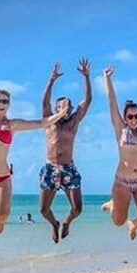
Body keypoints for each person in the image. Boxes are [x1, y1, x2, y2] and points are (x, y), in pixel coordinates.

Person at [0, 50, 67, 235]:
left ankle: (2, 222)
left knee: (2, 216)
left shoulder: (12, 125)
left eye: (5, 101)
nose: (2, 103)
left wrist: (60, 114)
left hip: (3, 176)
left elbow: (40, 123)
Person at [100, 64, 137, 241]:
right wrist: (107, 79)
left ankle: (134, 224)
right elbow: (111, 101)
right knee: (118, 221)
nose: (134, 119)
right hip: (123, 181)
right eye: (130, 117)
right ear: (125, 118)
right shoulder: (121, 130)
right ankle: (112, 205)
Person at [38, 59, 92, 243]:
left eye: (70, 105)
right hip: (50, 169)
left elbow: (88, 101)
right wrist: (51, 80)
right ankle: (54, 224)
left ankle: (67, 222)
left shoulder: (74, 121)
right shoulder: (49, 121)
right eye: (63, 105)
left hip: (69, 168)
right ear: (57, 108)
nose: (67, 107)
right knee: (43, 210)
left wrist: (86, 77)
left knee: (77, 209)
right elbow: (44, 101)